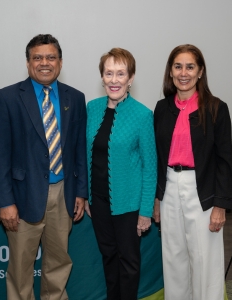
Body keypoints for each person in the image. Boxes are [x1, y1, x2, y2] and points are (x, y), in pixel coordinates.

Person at [0, 34, 88, 300]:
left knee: (58, 263)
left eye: (51, 57)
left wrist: (81, 191)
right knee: (21, 269)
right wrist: (5, 202)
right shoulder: (6, 98)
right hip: (22, 197)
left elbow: (79, 149)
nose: (45, 63)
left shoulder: (75, 98)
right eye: (38, 58)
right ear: (28, 62)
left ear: (60, 62)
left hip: (63, 192)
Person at [153, 44, 232, 300]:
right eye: (178, 66)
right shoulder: (161, 108)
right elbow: (157, 156)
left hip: (203, 190)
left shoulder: (216, 108)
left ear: (200, 72)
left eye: (190, 66)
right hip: (169, 188)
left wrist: (220, 205)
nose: (183, 72)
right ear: (171, 72)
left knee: (204, 258)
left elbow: (224, 161)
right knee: (173, 256)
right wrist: (156, 198)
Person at [85, 48, 157, 300]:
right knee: (109, 258)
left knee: (128, 264)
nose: (114, 80)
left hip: (129, 207)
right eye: (109, 73)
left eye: (120, 73)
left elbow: (150, 168)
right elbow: (86, 156)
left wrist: (145, 211)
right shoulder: (91, 109)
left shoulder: (142, 115)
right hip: (99, 203)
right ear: (102, 77)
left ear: (131, 78)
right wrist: (87, 196)